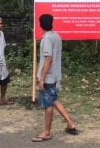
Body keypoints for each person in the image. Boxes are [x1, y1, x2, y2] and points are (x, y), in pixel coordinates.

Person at [32, 14, 78, 142]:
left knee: (48, 105)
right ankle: (70, 124)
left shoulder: (47, 39)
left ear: (41, 24)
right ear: (51, 23)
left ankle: (46, 132)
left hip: (48, 77)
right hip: (55, 76)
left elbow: (48, 58)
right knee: (54, 100)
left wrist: (42, 78)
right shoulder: (57, 36)